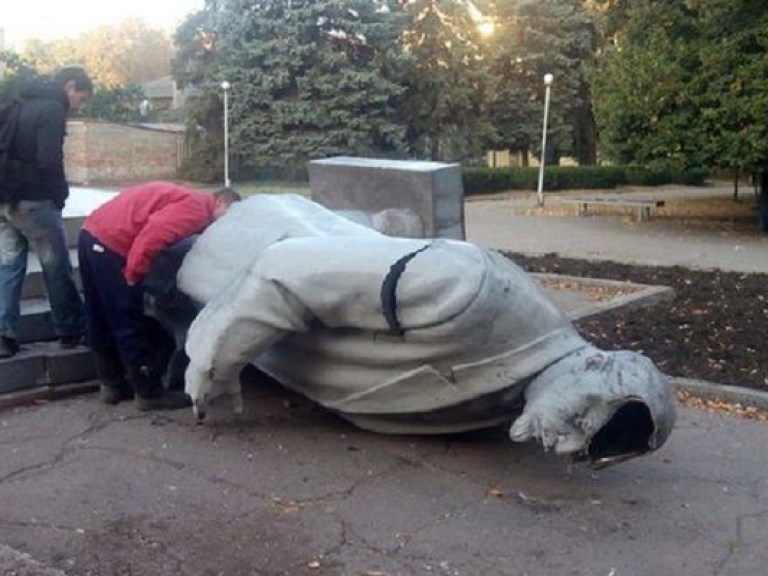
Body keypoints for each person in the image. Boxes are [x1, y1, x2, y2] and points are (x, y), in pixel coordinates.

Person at [146, 193, 677, 468]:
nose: (562, 449)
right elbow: (285, 267)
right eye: (584, 423)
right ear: (591, 364)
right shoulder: (469, 288)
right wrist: (215, 359)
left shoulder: (517, 393)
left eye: (582, 451)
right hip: (232, 250)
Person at [77, 181, 241, 411]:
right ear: (221, 201)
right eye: (228, 215)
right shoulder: (197, 208)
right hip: (112, 244)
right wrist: (133, 274)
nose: (225, 224)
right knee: (128, 321)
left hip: (91, 235)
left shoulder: (186, 198)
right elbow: (154, 235)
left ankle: (112, 385)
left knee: (100, 315)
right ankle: (149, 394)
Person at [0, 67, 93, 358]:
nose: (78, 105)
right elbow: (49, 159)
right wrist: (59, 195)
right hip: (35, 200)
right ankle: (70, 330)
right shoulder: (52, 108)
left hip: (5, 198)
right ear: (69, 86)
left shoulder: (19, 103)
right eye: (81, 97)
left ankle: (4, 335)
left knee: (9, 268)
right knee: (55, 266)